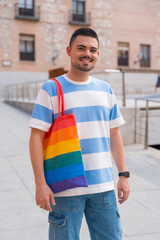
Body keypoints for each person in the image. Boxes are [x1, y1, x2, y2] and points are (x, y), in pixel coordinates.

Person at [29, 27, 130, 240]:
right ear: (69, 51)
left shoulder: (105, 89)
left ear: (98, 54)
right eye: (81, 48)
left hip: (103, 187)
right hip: (65, 189)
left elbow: (114, 135)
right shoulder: (52, 88)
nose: (87, 54)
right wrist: (40, 184)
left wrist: (123, 174)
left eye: (93, 50)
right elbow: (36, 137)